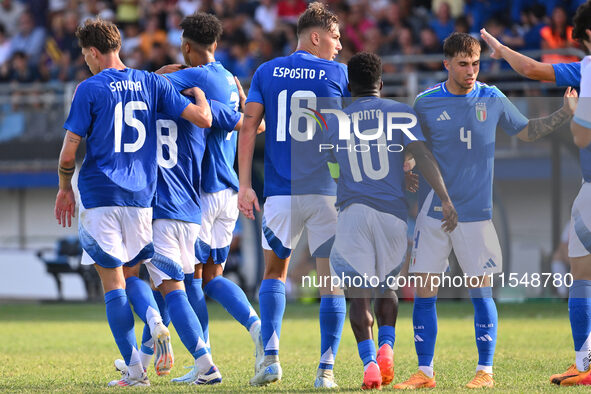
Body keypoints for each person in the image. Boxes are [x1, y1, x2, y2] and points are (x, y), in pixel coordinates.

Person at [393, 32, 576, 390]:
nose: (471, 70)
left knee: (481, 291)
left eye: (475, 63)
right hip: (433, 211)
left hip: (475, 213)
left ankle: (485, 370)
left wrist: (562, 115)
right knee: (425, 290)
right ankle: (424, 373)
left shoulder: (492, 98)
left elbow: (525, 132)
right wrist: (408, 163)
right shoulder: (425, 102)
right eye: (463, 64)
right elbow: (410, 147)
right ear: (446, 64)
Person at [54, 17, 212, 387]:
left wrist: (64, 186)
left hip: (100, 196)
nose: (86, 62)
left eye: (85, 55)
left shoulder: (88, 88)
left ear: (93, 52)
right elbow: (200, 118)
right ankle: (173, 336)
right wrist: (201, 96)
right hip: (142, 201)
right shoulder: (152, 83)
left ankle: (135, 371)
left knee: (114, 287)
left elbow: (67, 155)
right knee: (138, 275)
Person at [324, 52, 457, 390]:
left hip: (353, 212)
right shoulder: (401, 112)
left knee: (357, 295)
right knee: (389, 287)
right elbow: (422, 157)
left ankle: (369, 363)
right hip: (393, 216)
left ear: (349, 86)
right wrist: (444, 197)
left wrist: (343, 182)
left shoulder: (337, 120)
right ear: (381, 84)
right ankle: (387, 347)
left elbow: (333, 166)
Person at [238, 2, 347, 387]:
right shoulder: (338, 73)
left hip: (280, 193)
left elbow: (248, 127)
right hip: (325, 193)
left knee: (274, 273)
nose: (338, 45)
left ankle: (270, 360)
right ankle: (326, 371)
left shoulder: (266, 72)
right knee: (331, 280)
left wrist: (245, 185)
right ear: (315, 37)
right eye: (335, 37)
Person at [481, 3, 591, 384]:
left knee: (581, 273)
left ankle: (584, 364)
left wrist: (574, 111)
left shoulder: (588, 69)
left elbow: (580, 134)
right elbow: (530, 67)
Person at [154, 13, 266, 384]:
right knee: (213, 278)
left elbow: (151, 84)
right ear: (215, 45)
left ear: (187, 46)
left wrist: (171, 67)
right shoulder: (229, 78)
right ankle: (255, 326)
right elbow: (257, 123)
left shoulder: (193, 77)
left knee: (189, 281)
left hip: (201, 191)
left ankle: (203, 359)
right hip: (230, 188)